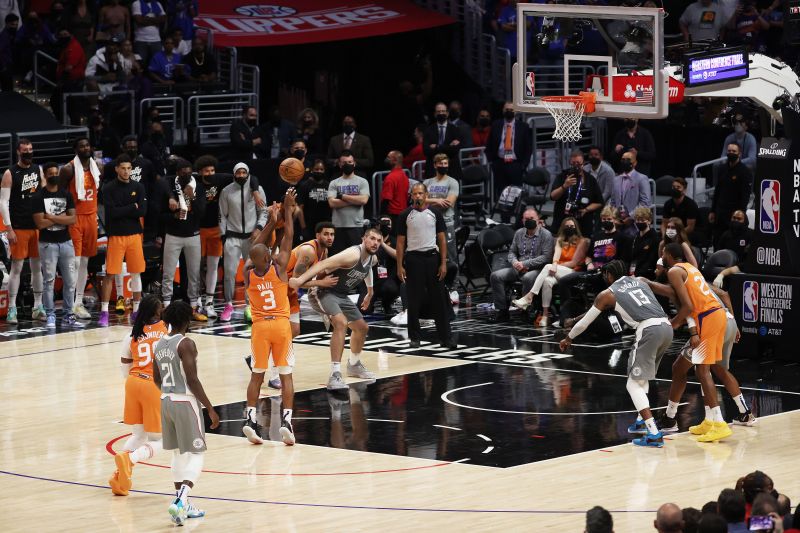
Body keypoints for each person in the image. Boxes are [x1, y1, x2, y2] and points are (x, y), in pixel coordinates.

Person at [561, 260, 673, 447]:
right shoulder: (641, 281)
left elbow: (584, 324)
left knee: (632, 384)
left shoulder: (608, 293)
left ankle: (653, 432)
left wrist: (568, 338)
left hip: (648, 329)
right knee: (641, 378)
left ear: (608, 275)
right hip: (667, 327)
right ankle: (640, 421)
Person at [642, 275, 756, 431]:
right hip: (727, 320)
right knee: (718, 369)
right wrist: (734, 322)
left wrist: (680, 329)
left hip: (711, 324)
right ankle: (744, 412)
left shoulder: (683, 287)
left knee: (682, 368)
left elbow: (688, 312)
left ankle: (671, 418)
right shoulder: (701, 282)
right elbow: (724, 295)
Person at [289, 227, 382, 390]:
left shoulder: (372, 258)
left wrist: (370, 292)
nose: (375, 243)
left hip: (341, 294)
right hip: (322, 291)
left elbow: (367, 270)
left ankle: (354, 365)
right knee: (340, 323)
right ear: (363, 239)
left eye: (379, 241)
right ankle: (335, 375)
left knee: (362, 328)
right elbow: (324, 263)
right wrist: (299, 280)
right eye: (372, 239)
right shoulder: (352, 254)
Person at [153, 300, 220, 525]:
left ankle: (183, 505)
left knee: (178, 454)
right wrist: (210, 408)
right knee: (198, 453)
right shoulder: (186, 343)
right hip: (185, 403)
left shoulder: (159, 344)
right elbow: (192, 379)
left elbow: (156, 379)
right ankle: (182, 499)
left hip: (165, 400)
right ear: (186, 319)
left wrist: (169, 394)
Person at [241, 191, 298, 446]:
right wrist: (287, 209)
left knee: (257, 376)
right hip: (281, 327)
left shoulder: (248, 273)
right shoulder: (280, 268)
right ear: (268, 258)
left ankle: (250, 420)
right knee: (286, 376)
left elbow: (257, 248)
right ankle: (287, 421)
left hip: (260, 327)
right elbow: (289, 238)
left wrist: (270, 224)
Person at [661, 242, 732, 442]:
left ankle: (719, 423)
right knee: (686, 367)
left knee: (702, 370)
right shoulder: (690, 267)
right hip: (716, 316)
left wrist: (672, 325)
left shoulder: (674, 271)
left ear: (668, 255)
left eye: (663, 253)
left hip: (708, 318)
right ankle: (710, 420)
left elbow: (687, 306)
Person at [109, 295, 167, 496]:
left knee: (138, 435)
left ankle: (119, 477)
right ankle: (129, 460)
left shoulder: (133, 333)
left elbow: (125, 361)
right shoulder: (166, 331)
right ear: (158, 312)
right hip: (153, 386)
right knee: (162, 440)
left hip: (133, 383)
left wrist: (132, 381)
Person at [395, 183, 455, 349]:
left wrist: (443, 263)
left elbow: (442, 239)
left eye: (421, 193)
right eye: (415, 194)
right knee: (413, 300)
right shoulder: (405, 215)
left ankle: (446, 338)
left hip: (432, 258)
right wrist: (399, 266)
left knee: (439, 300)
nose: (418, 196)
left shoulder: (435, 213)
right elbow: (400, 243)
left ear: (426, 194)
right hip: (413, 259)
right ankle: (414, 338)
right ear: (411, 196)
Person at [32, 162, 82, 328]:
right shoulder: (38, 197)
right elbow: (40, 223)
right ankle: (51, 314)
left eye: (56, 172)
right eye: (51, 173)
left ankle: (69, 314)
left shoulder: (66, 194)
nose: (54, 175)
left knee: (70, 281)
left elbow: (73, 219)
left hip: (66, 242)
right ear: (45, 176)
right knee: (49, 281)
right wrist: (61, 217)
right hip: (47, 244)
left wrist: (51, 217)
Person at [513, 217, 589, 326]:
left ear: (576, 227)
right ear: (563, 228)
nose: (569, 228)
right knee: (547, 281)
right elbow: (556, 256)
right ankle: (545, 315)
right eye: (567, 226)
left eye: (572, 226)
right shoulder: (559, 240)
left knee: (548, 267)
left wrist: (555, 266)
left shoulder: (582, 241)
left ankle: (529, 296)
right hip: (557, 270)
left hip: (573, 272)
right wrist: (554, 264)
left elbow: (574, 263)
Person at [99, 154, 147, 326]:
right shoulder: (109, 188)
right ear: (117, 169)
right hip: (116, 235)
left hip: (134, 235)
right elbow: (112, 213)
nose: (126, 171)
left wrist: (125, 209)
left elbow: (142, 211)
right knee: (110, 273)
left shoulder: (139, 187)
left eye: (129, 168)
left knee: (136, 273)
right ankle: (104, 311)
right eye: (123, 168)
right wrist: (131, 207)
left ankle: (136, 311)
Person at [1, 138, 46, 323]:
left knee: (37, 268)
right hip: (18, 227)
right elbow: (3, 202)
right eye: (25, 150)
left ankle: (38, 306)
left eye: (31, 149)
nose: (28, 152)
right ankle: (12, 308)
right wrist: (8, 228)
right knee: (17, 268)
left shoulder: (38, 170)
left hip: (36, 226)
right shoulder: (10, 173)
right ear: (19, 152)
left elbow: (44, 194)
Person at [558, 206, 629, 323]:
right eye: (604, 219)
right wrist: (589, 263)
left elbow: (622, 261)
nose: (606, 221)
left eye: (609, 219)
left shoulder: (621, 237)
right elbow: (589, 255)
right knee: (564, 281)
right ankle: (565, 315)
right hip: (592, 272)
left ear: (615, 220)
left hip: (608, 275)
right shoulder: (597, 236)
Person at [218, 162, 267, 322]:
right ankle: (228, 305)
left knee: (251, 272)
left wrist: (259, 227)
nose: (240, 175)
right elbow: (222, 215)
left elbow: (264, 212)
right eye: (238, 173)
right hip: (232, 236)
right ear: (234, 174)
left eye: (243, 173)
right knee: (229, 273)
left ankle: (249, 306)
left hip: (251, 237)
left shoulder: (258, 190)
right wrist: (224, 236)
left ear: (248, 173)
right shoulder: (227, 191)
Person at [159, 159, 207, 321]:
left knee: (194, 273)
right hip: (173, 235)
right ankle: (165, 307)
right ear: (177, 173)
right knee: (168, 273)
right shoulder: (169, 187)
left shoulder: (197, 187)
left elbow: (202, 213)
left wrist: (192, 198)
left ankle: (193, 308)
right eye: (182, 170)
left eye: (189, 169)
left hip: (193, 235)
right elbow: (159, 215)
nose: (186, 172)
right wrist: (173, 215)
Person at [58, 137, 100, 320]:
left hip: (91, 217)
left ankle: (78, 302)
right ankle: (70, 301)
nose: (85, 147)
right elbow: (59, 194)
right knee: (74, 262)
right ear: (76, 149)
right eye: (82, 145)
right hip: (75, 217)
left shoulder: (97, 167)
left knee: (84, 262)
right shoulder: (68, 169)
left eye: (87, 144)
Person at [489, 208, 554, 322]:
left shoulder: (546, 235)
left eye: (531, 218)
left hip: (537, 268)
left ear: (538, 220)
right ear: (523, 220)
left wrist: (525, 264)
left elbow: (546, 258)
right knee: (495, 276)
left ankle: (526, 310)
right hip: (518, 266)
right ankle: (502, 311)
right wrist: (514, 262)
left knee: (528, 278)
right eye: (526, 219)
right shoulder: (519, 233)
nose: (529, 220)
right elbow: (512, 252)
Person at [550, 150, 604, 238]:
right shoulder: (562, 176)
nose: (576, 166)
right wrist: (564, 187)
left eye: (578, 163)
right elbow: (553, 196)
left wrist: (586, 210)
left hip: (583, 221)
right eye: (573, 163)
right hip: (562, 218)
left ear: (583, 164)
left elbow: (599, 202)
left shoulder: (590, 179)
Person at [423, 153, 459, 276]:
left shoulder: (452, 182)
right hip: (429, 223)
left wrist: (427, 202)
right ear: (435, 165)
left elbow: (448, 203)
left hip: (446, 223)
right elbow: (417, 201)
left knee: (450, 256)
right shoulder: (427, 182)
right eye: (441, 163)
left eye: (445, 164)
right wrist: (437, 201)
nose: (443, 166)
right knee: (432, 255)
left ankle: (453, 287)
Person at [327, 150, 370, 254]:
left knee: (356, 258)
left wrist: (343, 196)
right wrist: (355, 200)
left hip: (356, 226)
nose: (347, 165)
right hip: (338, 226)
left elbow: (364, 200)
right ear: (340, 164)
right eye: (344, 162)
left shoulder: (362, 181)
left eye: (350, 162)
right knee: (338, 259)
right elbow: (332, 203)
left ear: (354, 163)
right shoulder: (334, 183)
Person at [485, 101, 532, 195]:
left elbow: (528, 148)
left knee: (515, 193)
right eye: (507, 109)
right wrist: (492, 161)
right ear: (503, 110)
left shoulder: (523, 127)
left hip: (516, 165)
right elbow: (489, 144)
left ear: (516, 112)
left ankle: (515, 210)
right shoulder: (496, 125)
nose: (509, 111)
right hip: (499, 163)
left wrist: (523, 165)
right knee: (501, 193)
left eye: (511, 110)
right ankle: (501, 210)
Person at [711, 142, 753, 246]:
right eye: (729, 151)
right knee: (717, 240)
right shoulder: (722, 169)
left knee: (731, 241)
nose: (731, 153)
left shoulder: (745, 172)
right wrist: (712, 210)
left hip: (734, 214)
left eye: (734, 151)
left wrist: (740, 213)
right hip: (720, 212)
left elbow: (745, 196)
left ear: (739, 154)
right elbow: (717, 191)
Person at [422, 103, 463, 180]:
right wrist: (448, 146)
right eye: (438, 111)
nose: (441, 113)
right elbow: (426, 151)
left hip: (451, 171)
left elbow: (455, 150)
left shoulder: (455, 129)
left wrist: (437, 147)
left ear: (447, 113)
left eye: (443, 111)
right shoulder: (428, 130)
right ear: (435, 114)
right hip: (433, 172)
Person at [297, 159, 332, 241]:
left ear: (324, 170)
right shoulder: (304, 185)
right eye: (316, 169)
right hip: (309, 226)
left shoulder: (329, 185)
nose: (319, 171)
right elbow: (300, 208)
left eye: (321, 169)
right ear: (312, 170)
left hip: (325, 224)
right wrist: (303, 227)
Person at [131, 0, 165, 67]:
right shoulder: (137, 3)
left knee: (157, 64)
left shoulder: (157, 3)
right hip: (140, 40)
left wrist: (147, 19)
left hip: (156, 40)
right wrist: (156, 20)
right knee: (140, 64)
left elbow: (163, 19)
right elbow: (139, 21)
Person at [380, 150, 409, 227]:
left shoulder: (390, 178)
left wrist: (381, 216)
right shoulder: (404, 175)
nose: (386, 159)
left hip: (393, 216)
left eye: (388, 157)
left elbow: (386, 199)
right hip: (403, 214)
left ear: (395, 160)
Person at [629, 207, 660, 279]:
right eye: (637, 220)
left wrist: (637, 275)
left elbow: (651, 260)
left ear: (649, 221)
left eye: (642, 220)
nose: (639, 222)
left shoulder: (655, 238)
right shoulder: (635, 237)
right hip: (633, 274)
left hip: (647, 276)